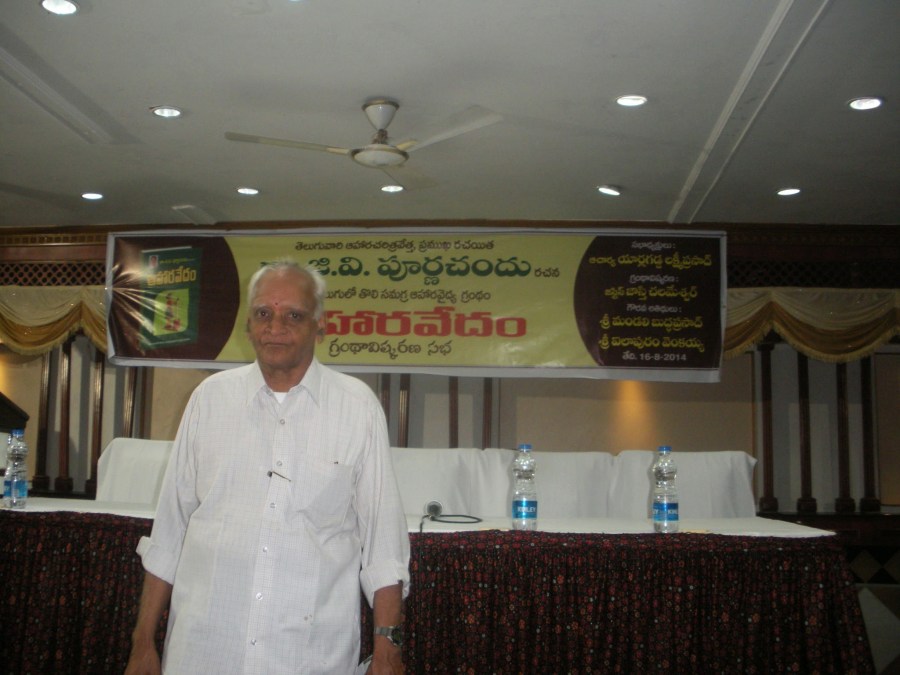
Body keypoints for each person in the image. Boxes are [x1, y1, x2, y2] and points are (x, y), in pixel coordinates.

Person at [125, 261, 410, 674]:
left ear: (320, 325)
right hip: (205, 651)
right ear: (248, 323)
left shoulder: (357, 408)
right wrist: (142, 643)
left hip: (310, 656)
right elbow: (170, 531)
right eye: (263, 313)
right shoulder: (210, 399)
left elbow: (384, 546)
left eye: (293, 315)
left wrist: (388, 650)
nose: (275, 327)